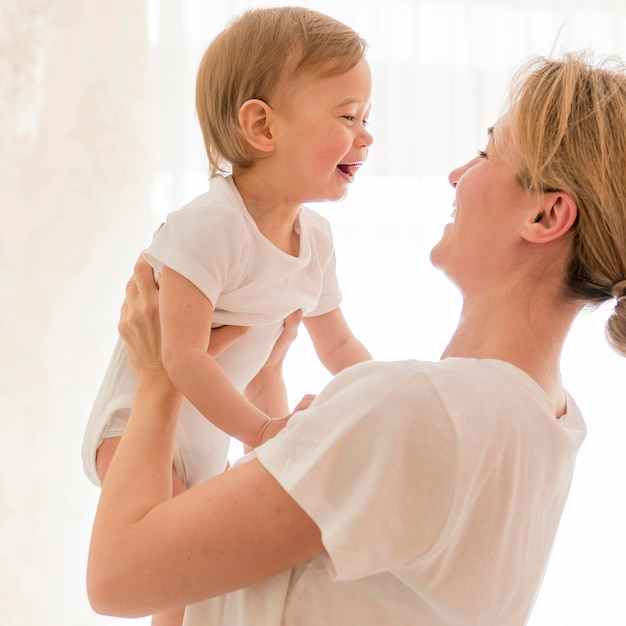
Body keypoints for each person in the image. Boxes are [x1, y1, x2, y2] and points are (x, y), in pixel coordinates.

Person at [87, 52, 626, 625]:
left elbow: (116, 580)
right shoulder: (549, 423)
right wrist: (276, 390)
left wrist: (156, 377)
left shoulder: (414, 406)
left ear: (546, 217)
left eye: (488, 153)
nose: (457, 175)